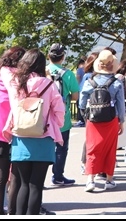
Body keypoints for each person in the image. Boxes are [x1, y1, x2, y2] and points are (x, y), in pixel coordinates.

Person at [2, 48, 65, 215]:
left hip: (20, 138)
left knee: (23, 183)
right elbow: (60, 112)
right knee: (35, 184)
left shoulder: (16, 83)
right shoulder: (49, 84)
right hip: (43, 138)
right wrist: (53, 122)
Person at [0, 46, 26, 215]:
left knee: (1, 174)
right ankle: (13, 211)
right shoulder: (17, 77)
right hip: (12, 129)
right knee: (15, 173)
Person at [79, 49, 126, 192]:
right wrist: (121, 121)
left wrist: (86, 115)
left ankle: (90, 180)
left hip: (93, 120)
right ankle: (109, 180)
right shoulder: (116, 83)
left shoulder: (90, 81)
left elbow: (82, 102)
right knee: (110, 150)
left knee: (93, 149)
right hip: (111, 120)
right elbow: (120, 104)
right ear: (113, 65)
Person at [47, 43, 80, 186]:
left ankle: (39, 178)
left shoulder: (43, 71)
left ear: (49, 56)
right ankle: (58, 176)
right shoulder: (68, 74)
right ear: (63, 57)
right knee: (61, 147)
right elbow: (75, 97)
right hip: (62, 116)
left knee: (44, 146)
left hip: (44, 116)